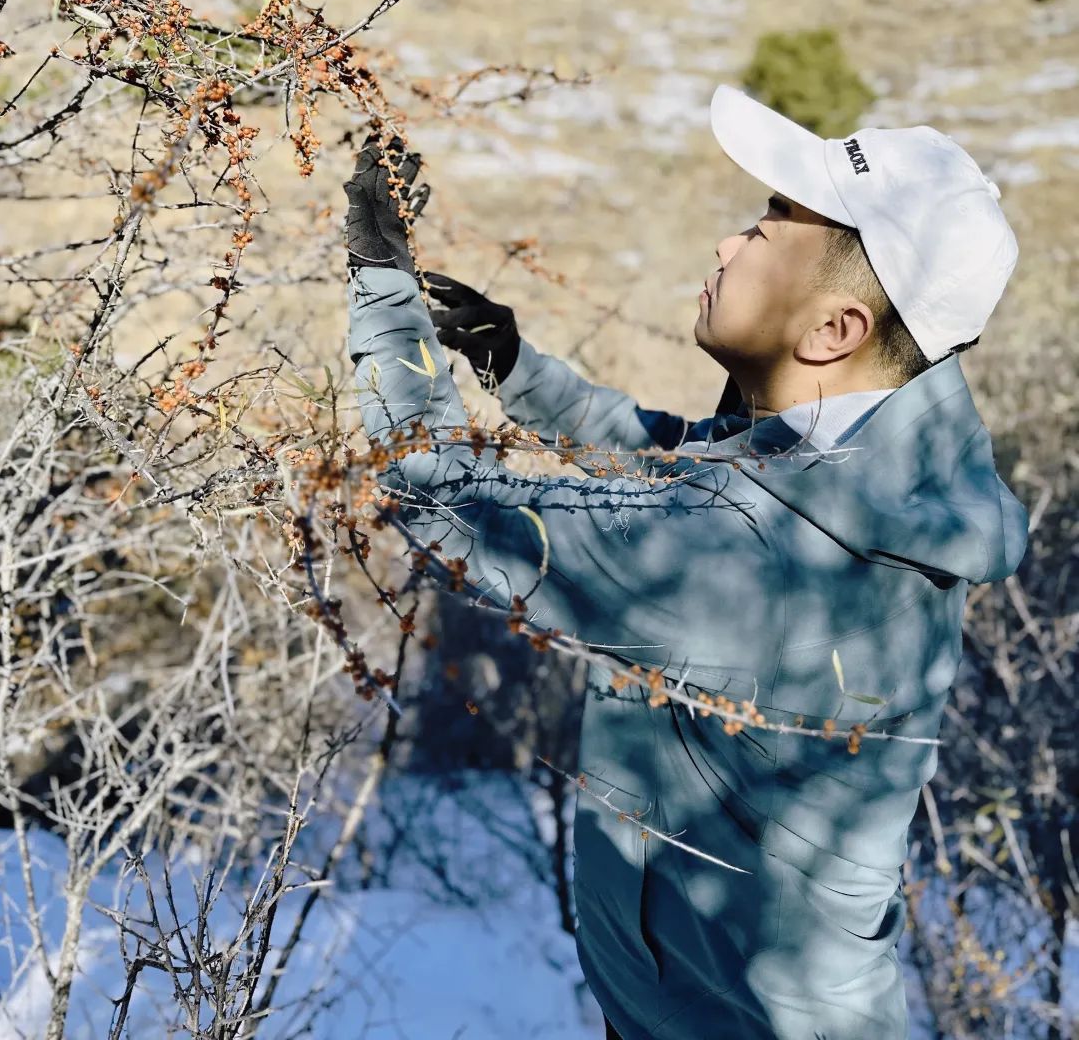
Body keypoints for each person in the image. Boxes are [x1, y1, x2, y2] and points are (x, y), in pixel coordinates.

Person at [343, 84, 1028, 1040]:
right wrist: (521, 373)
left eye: (765, 228)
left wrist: (379, 282)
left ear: (835, 331)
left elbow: (437, 494)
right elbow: (691, 463)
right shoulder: (870, 452)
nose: (725, 244)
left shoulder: (762, 560)